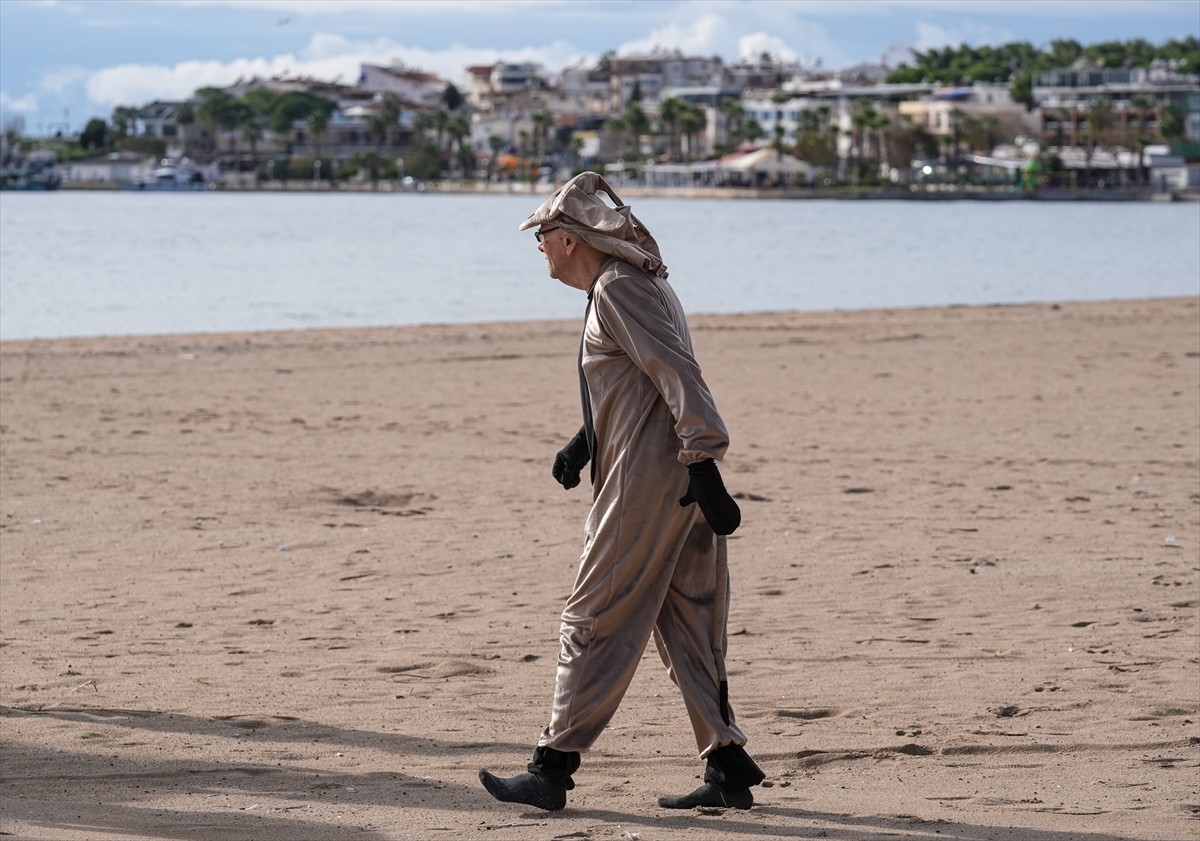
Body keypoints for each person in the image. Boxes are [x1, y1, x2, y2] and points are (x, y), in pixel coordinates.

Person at [478, 172, 765, 812]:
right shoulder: (633, 282)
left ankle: (551, 768)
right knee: (688, 620)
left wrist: (705, 457)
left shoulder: (618, 287)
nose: (538, 247)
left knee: (593, 615)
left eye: (542, 235)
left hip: (650, 481)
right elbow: (643, 379)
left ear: (571, 239)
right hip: (672, 475)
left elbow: (679, 372)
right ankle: (727, 764)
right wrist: (586, 440)